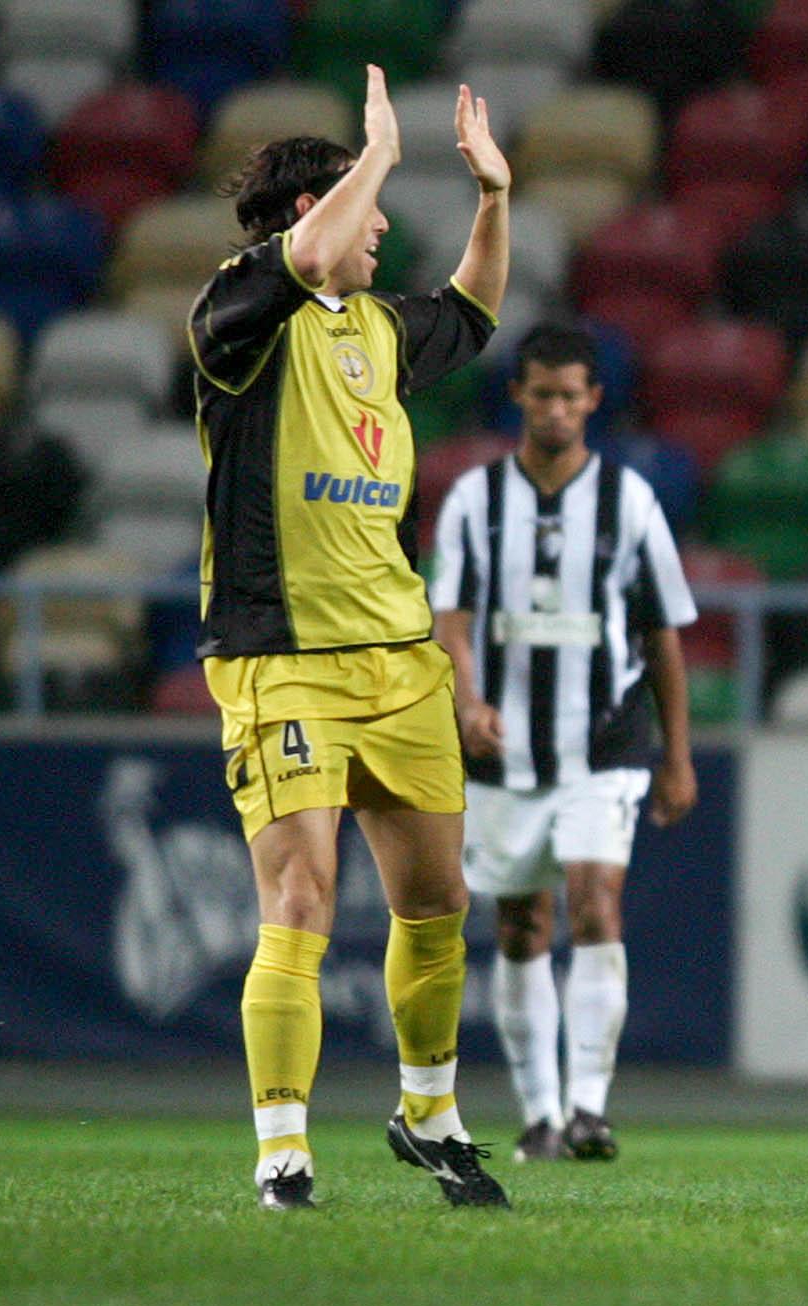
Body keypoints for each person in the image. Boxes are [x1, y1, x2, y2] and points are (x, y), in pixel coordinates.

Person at [191, 66, 512, 1210]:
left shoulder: (379, 327)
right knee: (302, 903)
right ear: (304, 215)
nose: (383, 222)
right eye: (366, 200)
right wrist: (375, 147)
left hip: (401, 659)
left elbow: (472, 310)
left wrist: (492, 197)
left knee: (437, 904)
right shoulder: (234, 316)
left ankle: (427, 1110)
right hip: (281, 661)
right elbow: (319, 256)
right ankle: (282, 1146)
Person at [429, 322, 700, 1165]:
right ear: (518, 396)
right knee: (520, 926)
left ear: (593, 399)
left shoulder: (630, 501)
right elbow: (450, 618)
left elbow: (662, 633)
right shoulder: (476, 500)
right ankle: (540, 1112)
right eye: (539, 393)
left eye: (569, 395)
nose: (554, 409)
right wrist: (466, 699)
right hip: (503, 750)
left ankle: (588, 1107)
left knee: (593, 905)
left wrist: (678, 754)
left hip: (606, 744)